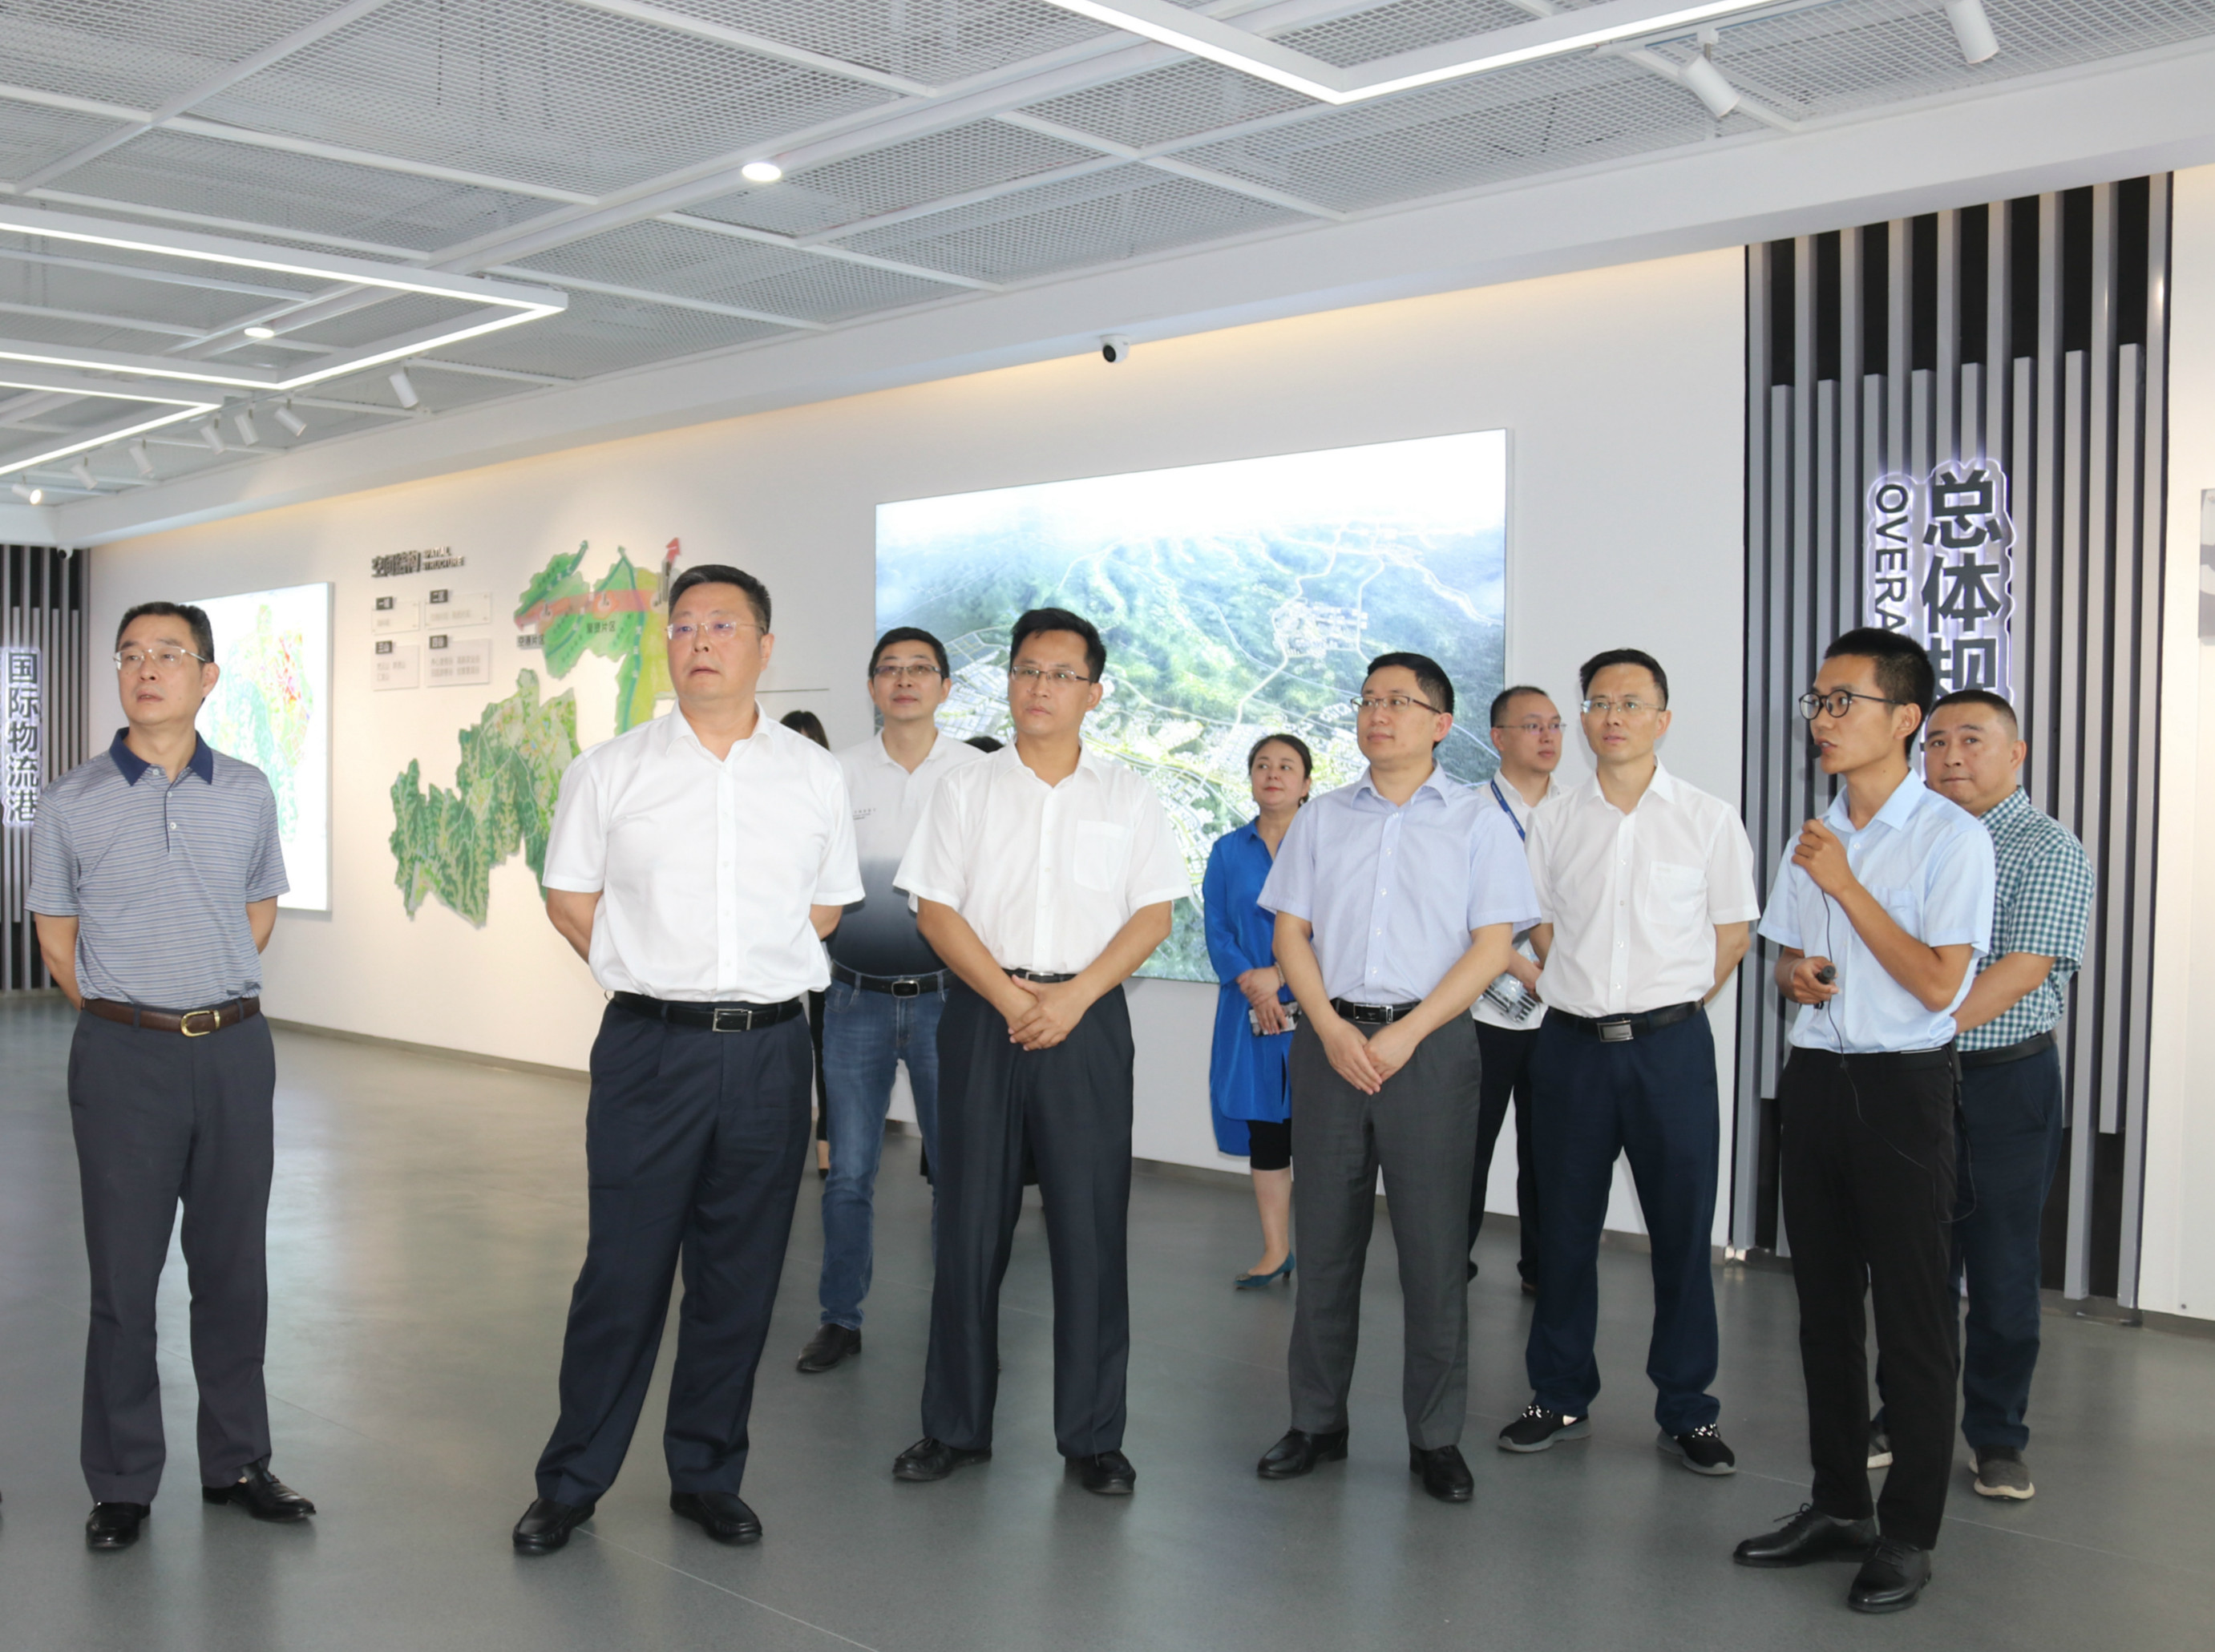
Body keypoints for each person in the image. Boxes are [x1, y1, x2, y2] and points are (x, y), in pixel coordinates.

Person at [513, 564, 861, 1554]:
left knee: (738, 1278)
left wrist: (743, 971)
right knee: (621, 1277)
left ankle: (706, 1474)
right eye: (684, 626)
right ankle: (571, 1482)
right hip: (648, 1050)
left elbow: (826, 906)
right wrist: (652, 971)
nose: (700, 641)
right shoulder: (610, 770)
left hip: (770, 1053)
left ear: (765, 646)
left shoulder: (812, 775)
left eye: (723, 624)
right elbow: (570, 899)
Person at [30, 602, 312, 1553]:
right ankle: (121, 1481)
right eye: (130, 655)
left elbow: (258, 910)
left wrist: (202, 994)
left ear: (207, 676)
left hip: (233, 1050)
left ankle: (238, 1462)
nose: (146, 669)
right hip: (123, 1056)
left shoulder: (248, 791)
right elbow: (57, 940)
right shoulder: (70, 800)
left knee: (234, 1270)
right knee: (124, 1277)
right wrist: (133, 1012)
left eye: (168, 654)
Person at [890, 608, 1189, 1496]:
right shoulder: (964, 788)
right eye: (1026, 669)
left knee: (1090, 1230)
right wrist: (1015, 999)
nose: (1039, 687)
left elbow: (1153, 915)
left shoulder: (1127, 794)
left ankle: (1092, 1438)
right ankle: (954, 1427)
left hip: (1086, 1021)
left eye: (1062, 674)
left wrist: (1072, 998)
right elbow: (935, 910)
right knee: (966, 1227)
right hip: (984, 1017)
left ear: (1094, 693)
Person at [1733, 627, 1995, 1615]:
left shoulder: (1952, 838)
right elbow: (1787, 961)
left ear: (1905, 718)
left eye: (1844, 701)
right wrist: (1796, 973)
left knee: (1915, 1319)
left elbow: (1937, 984)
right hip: (1816, 1079)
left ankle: (1908, 1534)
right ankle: (1840, 1503)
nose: (1823, 718)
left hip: (1902, 1090)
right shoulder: (1815, 831)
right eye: (1818, 700)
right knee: (1825, 1311)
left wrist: (1847, 884)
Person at [1254, 652, 1533, 1505]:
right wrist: (1330, 1027)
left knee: (1434, 1252)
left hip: (1431, 1047)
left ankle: (1435, 1438)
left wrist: (1408, 1032)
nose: (1379, 714)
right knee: (1326, 1245)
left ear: (1441, 724)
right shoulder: (1323, 817)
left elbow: (1494, 947)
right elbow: (1290, 934)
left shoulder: (1480, 820)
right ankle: (1316, 1422)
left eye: (1400, 702)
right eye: (1369, 699)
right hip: (1330, 1043)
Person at [1498, 650, 1758, 1475]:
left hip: (1670, 1052)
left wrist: (1665, 1003)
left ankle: (1687, 1409)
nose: (1613, 717)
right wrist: (1582, 987)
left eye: (1631, 703)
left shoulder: (1708, 819)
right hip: (1570, 1050)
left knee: (1681, 1233)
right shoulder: (1555, 820)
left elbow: (1731, 934)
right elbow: (1537, 920)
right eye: (1599, 703)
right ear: (1583, 719)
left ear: (1662, 720)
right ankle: (1558, 1393)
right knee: (1564, 1231)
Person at [1878, 688, 2089, 1501]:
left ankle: (1997, 1435)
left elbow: (2021, 970)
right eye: (1935, 743)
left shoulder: (2046, 847)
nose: (1950, 757)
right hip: (1915, 1079)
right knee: (1913, 1264)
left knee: (2000, 1269)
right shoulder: (1910, 839)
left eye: (1971, 739)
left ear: (2015, 753)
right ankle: (1905, 1414)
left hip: (2005, 1081)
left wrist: (1913, 1030)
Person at [796, 629, 984, 1375]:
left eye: (920, 669)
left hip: (950, 1002)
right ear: (872, 686)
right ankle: (839, 1317)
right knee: (848, 1173)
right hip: (854, 1001)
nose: (904, 680)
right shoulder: (834, 772)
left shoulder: (976, 773)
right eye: (889, 669)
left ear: (944, 685)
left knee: (956, 1171)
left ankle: (957, 1319)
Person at [1203, 733, 1313, 1288]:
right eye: (1262, 765)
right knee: (1267, 1132)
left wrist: (1282, 976)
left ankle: (1323, 1258)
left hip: (1313, 1009)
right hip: (1248, 1013)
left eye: (1286, 766)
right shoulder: (1228, 850)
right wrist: (1258, 985)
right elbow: (1217, 929)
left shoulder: (1325, 846)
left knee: (1317, 1132)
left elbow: (1339, 926)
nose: (1273, 774)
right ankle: (1275, 1250)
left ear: (1307, 783)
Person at [1468, 685, 1563, 1290]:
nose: (1548, 736)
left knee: (1551, 1151)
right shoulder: (1467, 810)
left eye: (1554, 724)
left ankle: (1543, 1269)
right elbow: (1450, 910)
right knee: (1467, 1147)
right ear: (1498, 737)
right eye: (1532, 725)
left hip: (1560, 1014)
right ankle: (1447, 1264)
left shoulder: (1579, 812)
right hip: (1480, 1011)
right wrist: (1521, 967)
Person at [782, 709, 836, 1180]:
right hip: (769, 955)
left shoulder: (830, 794)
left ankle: (826, 1140)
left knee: (825, 1045)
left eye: (810, 742)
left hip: (828, 948)